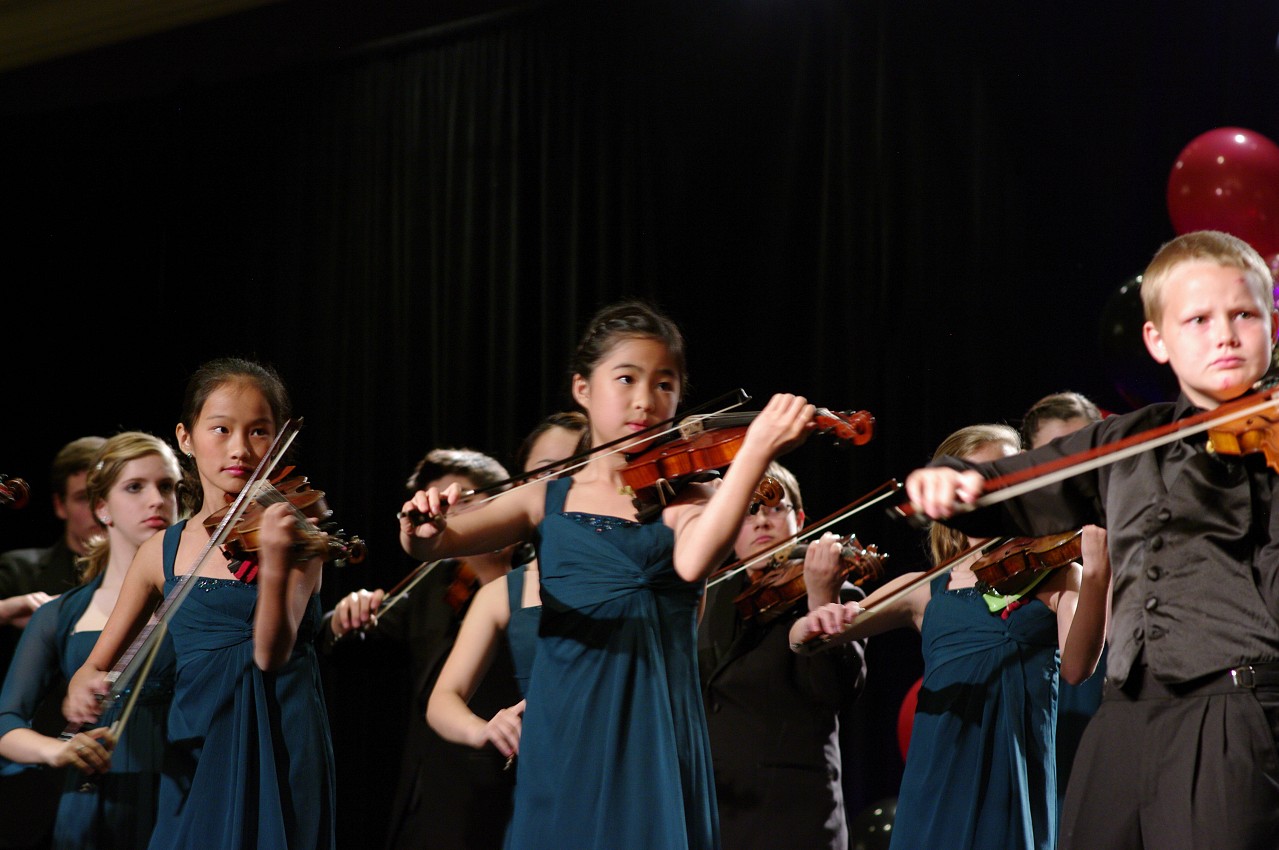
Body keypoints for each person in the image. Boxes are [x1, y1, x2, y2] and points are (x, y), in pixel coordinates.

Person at [903, 230, 1279, 850]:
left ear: (1270, 324)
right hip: (1125, 714)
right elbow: (1021, 481)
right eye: (1199, 319)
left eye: (1244, 315)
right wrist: (958, 481)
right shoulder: (1125, 440)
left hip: (1233, 710)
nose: (1225, 335)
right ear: (1157, 340)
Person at [401, 299, 816, 850]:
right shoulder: (544, 497)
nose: (645, 400)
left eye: (665, 384)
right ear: (583, 389)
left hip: (655, 728)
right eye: (626, 378)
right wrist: (420, 527)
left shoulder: (695, 495)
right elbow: (436, 542)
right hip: (566, 728)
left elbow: (693, 562)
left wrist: (756, 452)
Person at [62, 356, 336, 849]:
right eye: (221, 429)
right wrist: (86, 683)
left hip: (282, 737)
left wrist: (274, 561)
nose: (239, 448)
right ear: (185, 439)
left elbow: (270, 653)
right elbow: (97, 665)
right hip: (195, 740)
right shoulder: (159, 552)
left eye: (258, 432)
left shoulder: (295, 535)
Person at [793, 423, 1109, 850]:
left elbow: (1076, 669)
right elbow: (804, 638)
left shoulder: (1054, 574)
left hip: (1010, 777)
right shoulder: (923, 588)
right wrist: (819, 611)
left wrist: (1097, 574)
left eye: (1004, 476)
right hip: (936, 775)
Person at [324, 447, 526, 850]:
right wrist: (342, 618)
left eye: (462, 500)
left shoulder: (536, 579)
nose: (446, 518)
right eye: (441, 507)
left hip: (511, 781)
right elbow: (352, 644)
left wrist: (492, 568)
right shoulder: (434, 585)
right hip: (435, 794)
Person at [0, 431, 180, 849]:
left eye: (167, 486)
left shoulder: (197, 604)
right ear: (103, 507)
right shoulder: (62, 613)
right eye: (135, 487)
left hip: (182, 800)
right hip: (92, 804)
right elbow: (6, 722)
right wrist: (56, 752)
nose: (156, 499)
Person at [697, 461, 868, 850]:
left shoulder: (836, 592)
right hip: (717, 814)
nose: (761, 521)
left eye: (776, 507)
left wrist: (821, 599)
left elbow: (836, 693)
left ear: (800, 519)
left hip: (793, 817)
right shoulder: (709, 596)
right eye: (749, 509)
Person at [425, 412, 588, 771]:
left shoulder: (625, 574)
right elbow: (442, 700)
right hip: (545, 768)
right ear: (522, 485)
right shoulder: (501, 594)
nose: (558, 484)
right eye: (546, 470)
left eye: (576, 468)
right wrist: (483, 730)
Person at [0, 434, 105, 850]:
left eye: (104, 495)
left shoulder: (151, 581)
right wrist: (7, 608)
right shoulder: (19, 570)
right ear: (60, 505)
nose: (97, 511)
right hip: (24, 788)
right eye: (83, 498)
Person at [1018, 390, 1109, 820]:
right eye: (1054, 453)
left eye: (1081, 447)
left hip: (1113, 709)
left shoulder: (1127, 521)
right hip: (1041, 720)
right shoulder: (1016, 546)